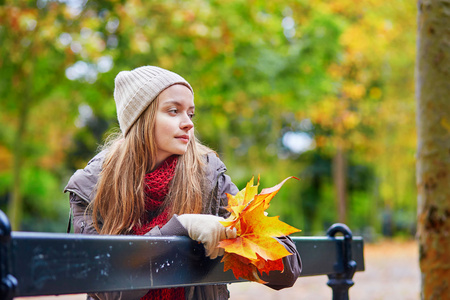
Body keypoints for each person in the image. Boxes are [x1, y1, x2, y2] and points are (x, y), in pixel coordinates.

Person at [64, 66, 302, 300]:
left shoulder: (208, 177)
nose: (188, 123)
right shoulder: (91, 186)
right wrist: (183, 226)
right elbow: (108, 289)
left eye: (190, 113)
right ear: (141, 119)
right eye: (173, 111)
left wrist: (237, 231)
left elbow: (288, 270)